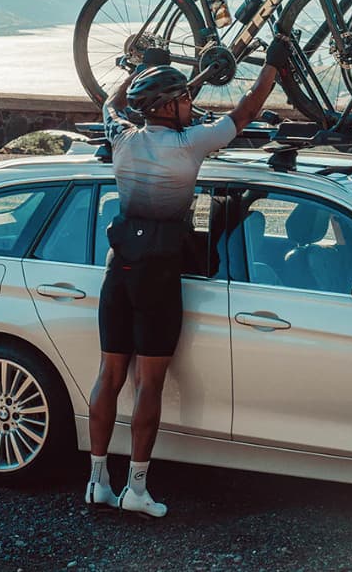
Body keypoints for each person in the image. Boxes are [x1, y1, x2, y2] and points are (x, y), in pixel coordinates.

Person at [85, 39, 290, 517]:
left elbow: (109, 104)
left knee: (108, 376)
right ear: (167, 106)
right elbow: (244, 113)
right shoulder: (189, 143)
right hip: (158, 276)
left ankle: (96, 482)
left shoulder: (122, 137)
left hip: (119, 270)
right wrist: (272, 68)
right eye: (184, 98)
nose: (190, 104)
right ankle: (136, 490)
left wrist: (138, 69)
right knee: (148, 384)